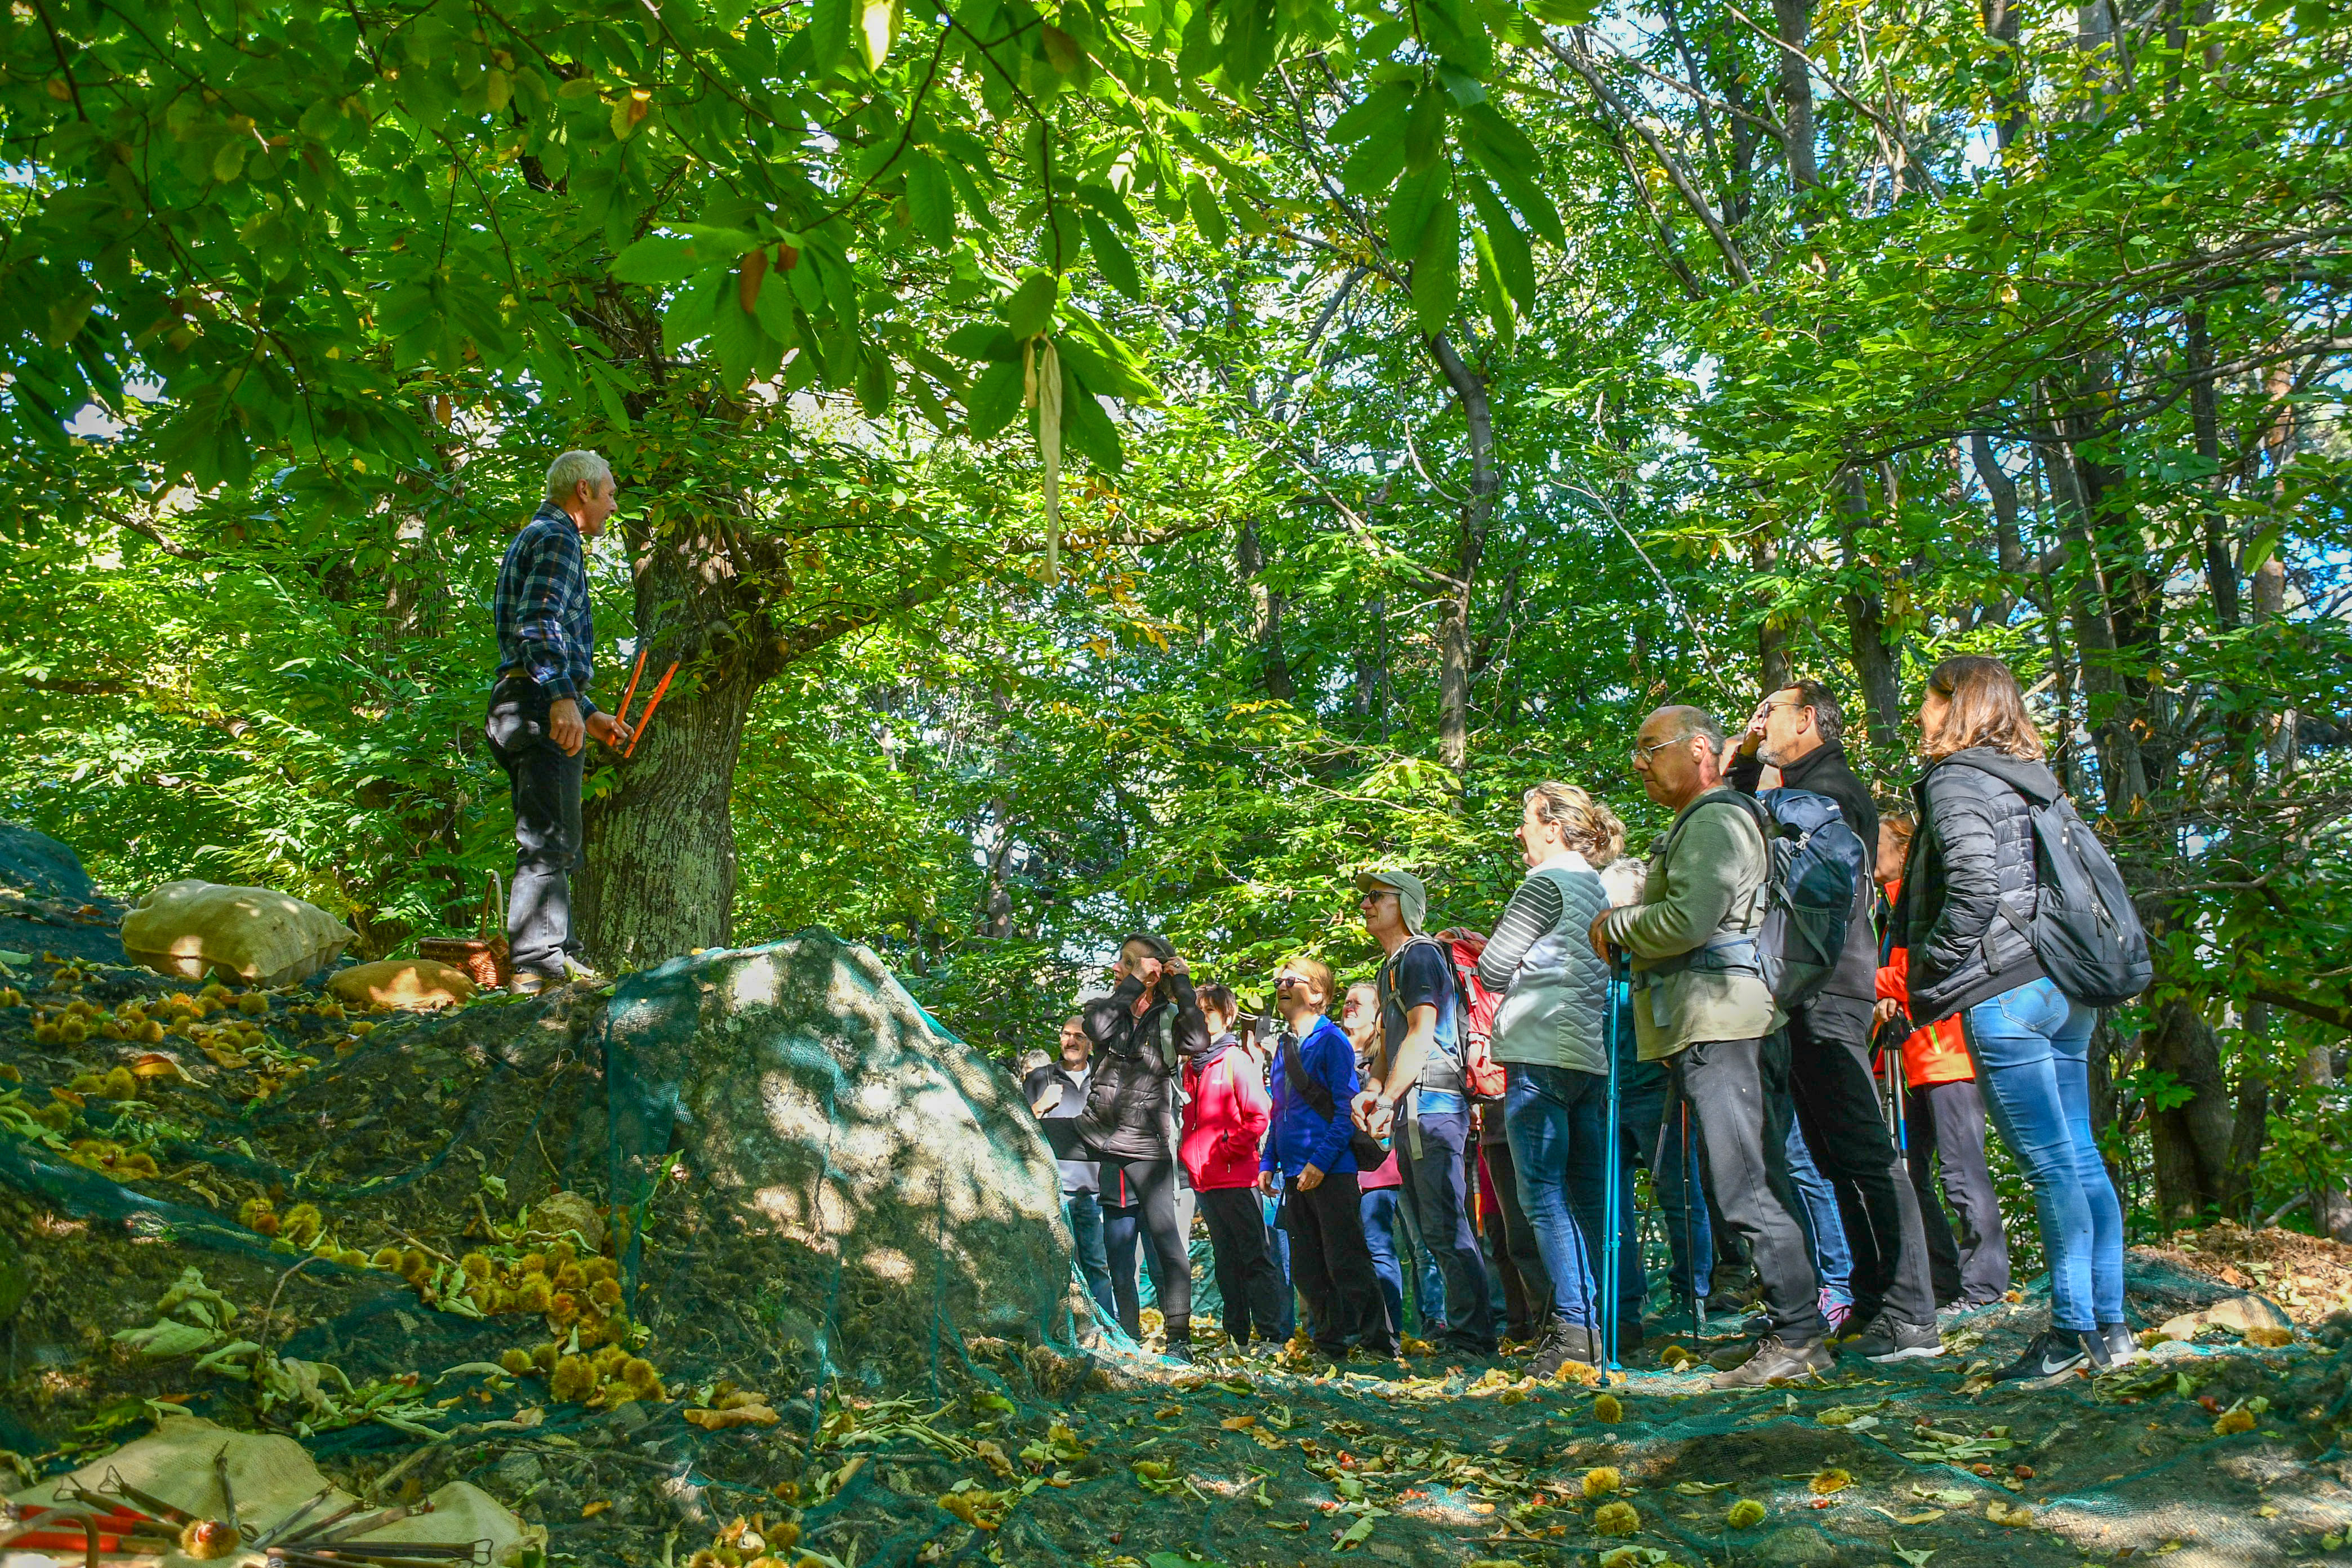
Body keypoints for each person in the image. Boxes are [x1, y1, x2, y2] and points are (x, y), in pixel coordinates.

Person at [1895, 656, 2127, 1380]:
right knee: (2080, 1158)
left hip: (2007, 991)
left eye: (1929, 701)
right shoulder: (2034, 781)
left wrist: (1931, 965)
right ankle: (2111, 1330)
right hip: (2065, 986)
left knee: (2050, 1165)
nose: (1921, 715)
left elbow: (1973, 886)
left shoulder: (1958, 778)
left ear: (1955, 705)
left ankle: (2070, 1333)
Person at [1590, 705, 1829, 1387]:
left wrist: (1616, 926)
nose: (1639, 763)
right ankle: (1790, 1329)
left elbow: (1688, 921)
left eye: (1650, 748)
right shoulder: (1707, 821)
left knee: (1747, 1188)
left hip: (1725, 1026)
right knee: (1755, 1182)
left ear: (1699, 749)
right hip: (1718, 1025)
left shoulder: (1716, 819)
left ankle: (1798, 1339)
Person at [1725, 680, 1943, 1362]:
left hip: (1829, 990)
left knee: (1866, 1153)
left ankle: (1913, 1312)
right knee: (1830, 1154)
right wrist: (1747, 761)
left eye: (1771, 714)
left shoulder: (1837, 788)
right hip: (1798, 992)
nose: (1759, 725)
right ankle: (1877, 1303)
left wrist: (1744, 769)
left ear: (1810, 720)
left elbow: (1772, 850)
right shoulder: (1798, 782)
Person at [1476, 782, 1619, 1376]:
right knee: (1586, 1199)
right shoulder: (1598, 888)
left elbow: (1491, 968)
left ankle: (1571, 1335)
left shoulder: (1546, 884)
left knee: (1543, 1199)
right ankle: (1599, 1331)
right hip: (1589, 1057)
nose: (1519, 832)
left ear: (1554, 828)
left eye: (1526, 821)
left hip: (1539, 1054)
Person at [488, 450, 633, 995]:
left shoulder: (542, 535)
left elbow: (538, 632)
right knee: (548, 838)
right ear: (583, 493)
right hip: (533, 703)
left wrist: (587, 712)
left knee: (557, 834)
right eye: (611, 493)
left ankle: (555, 954)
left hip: (526, 700)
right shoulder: (558, 538)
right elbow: (539, 621)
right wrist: (558, 697)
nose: (614, 506)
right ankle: (539, 963)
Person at [1354, 870, 1496, 1359]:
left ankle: (1474, 1338)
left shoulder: (1418, 955)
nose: (1366, 905)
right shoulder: (1390, 966)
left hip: (1433, 1107)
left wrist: (1388, 1097)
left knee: (1444, 1227)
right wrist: (1372, 1089)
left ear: (1405, 904)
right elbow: (1389, 1043)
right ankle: (1465, 1332)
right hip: (1412, 1109)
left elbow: (1421, 1031)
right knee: (1429, 1230)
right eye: (1366, 898)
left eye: (1377, 897)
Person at [1875, 813, 2012, 1310]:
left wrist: (1869, 986)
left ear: (1905, 851)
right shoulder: (1881, 910)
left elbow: (1925, 967)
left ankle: (1984, 1288)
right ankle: (1943, 1281)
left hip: (1946, 1052)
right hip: (1903, 1056)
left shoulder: (1926, 902)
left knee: (1961, 1171)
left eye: (1880, 841)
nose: (1870, 850)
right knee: (1908, 1175)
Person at [1072, 933, 1209, 1361]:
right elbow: (1096, 1030)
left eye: (1129, 962)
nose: (1117, 968)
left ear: (1152, 973)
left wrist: (1182, 985)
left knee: (1167, 1242)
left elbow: (1197, 1043)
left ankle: (1180, 1340)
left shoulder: (1170, 1016)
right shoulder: (1106, 1007)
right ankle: (1126, 1335)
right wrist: (1132, 983)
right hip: (1102, 1137)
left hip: (1148, 1143)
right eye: (1120, 962)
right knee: (1117, 1245)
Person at [1259, 957, 1393, 1359]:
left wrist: (1321, 1162)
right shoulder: (1284, 1047)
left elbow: (1343, 1110)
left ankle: (1378, 1345)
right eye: (1279, 980)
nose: (1282, 986)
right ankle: (1329, 1342)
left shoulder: (1331, 1040)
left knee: (1346, 1260)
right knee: (1307, 1267)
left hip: (1332, 1171)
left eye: (1293, 981)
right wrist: (1269, 1163)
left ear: (1319, 995)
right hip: (1295, 1173)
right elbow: (1278, 1111)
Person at [1185, 983, 1285, 1352]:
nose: (1203, 1017)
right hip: (1205, 1181)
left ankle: (1272, 1336)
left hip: (1236, 1177)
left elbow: (1260, 1114)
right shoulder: (1194, 1066)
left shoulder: (1234, 1060)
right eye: (1198, 1010)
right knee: (1225, 1260)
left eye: (1210, 1010)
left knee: (1255, 1256)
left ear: (1227, 1017)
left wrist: (1228, 1148)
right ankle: (1237, 1337)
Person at [1343, 982, 1435, 1341]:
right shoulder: (1334, 1048)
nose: (1349, 1008)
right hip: (1346, 1165)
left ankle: (1412, 1328)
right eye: (1346, 1002)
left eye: (1358, 1003)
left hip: (1387, 1164)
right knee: (1360, 1248)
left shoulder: (1387, 1054)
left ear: (1378, 1012)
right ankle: (1366, 1329)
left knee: (1411, 1246)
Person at [1027, 1018, 1118, 1325]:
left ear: (1091, 1042)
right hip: (1053, 1192)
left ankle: (1107, 1330)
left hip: (1097, 1191)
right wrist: (1039, 1105)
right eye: (1066, 1035)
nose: (1071, 1041)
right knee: (1055, 1266)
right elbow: (1016, 1127)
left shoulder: (1106, 1076)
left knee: (1097, 1265)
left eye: (1079, 1036)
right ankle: (1057, 1331)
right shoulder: (1041, 1077)